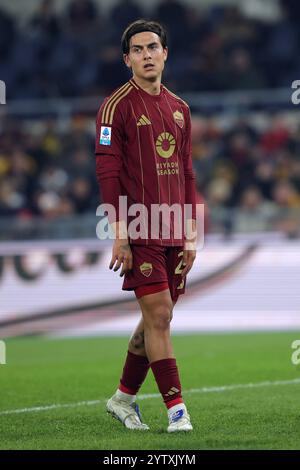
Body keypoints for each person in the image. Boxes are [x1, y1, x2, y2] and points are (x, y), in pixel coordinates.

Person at [95, 19, 197, 432]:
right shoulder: (115, 106)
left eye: (153, 47)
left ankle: (122, 399)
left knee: (158, 318)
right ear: (127, 60)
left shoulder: (180, 109)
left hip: (174, 228)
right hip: (139, 228)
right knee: (158, 317)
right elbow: (107, 173)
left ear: (165, 52)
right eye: (137, 50)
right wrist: (119, 232)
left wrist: (193, 231)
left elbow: (188, 173)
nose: (147, 55)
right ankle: (177, 411)